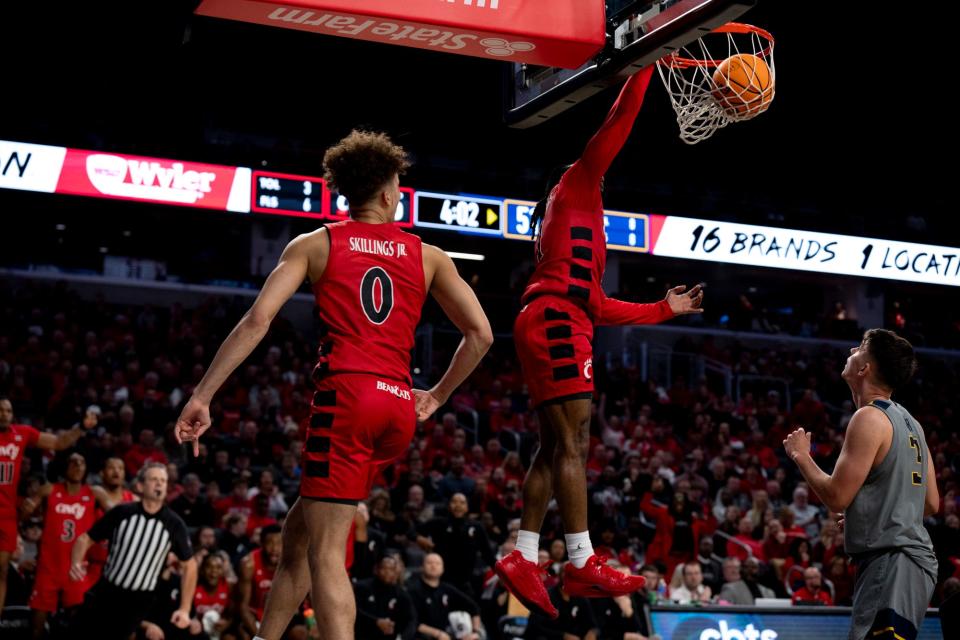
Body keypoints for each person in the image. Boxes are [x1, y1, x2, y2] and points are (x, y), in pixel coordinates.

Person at [175, 129, 493, 640]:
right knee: (300, 533)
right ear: (389, 191)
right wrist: (436, 395)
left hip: (346, 402)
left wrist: (202, 395)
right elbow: (481, 335)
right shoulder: (428, 254)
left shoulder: (316, 243)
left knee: (326, 552)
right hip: (396, 407)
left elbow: (257, 321)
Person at [494, 65, 705, 617]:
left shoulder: (573, 226)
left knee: (555, 443)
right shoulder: (578, 183)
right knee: (575, 440)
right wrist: (644, 65)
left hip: (560, 318)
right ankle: (582, 561)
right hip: (557, 323)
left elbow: (601, 305)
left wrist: (664, 308)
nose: (605, 174)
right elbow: (617, 123)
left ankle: (525, 552)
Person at [784, 329, 938, 640]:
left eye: (861, 347)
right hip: (910, 563)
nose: (853, 348)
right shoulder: (911, 422)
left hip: (893, 560)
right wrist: (871, 509)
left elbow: (837, 497)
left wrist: (801, 456)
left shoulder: (868, 417)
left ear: (865, 368)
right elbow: (931, 502)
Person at [70, 461, 197, 638]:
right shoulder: (122, 512)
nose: (159, 483)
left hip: (139, 599)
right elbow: (86, 538)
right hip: (107, 591)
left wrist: (184, 608)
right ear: (140, 486)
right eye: (154, 479)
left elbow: (190, 566)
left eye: (163, 480)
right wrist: (76, 561)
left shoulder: (174, 524)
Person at [0, 398, 99, 616]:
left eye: (8, 410)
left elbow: (57, 443)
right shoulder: (51, 490)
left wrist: (81, 428)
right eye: (1, 410)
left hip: (5, 511)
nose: (5, 414)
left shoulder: (21, 433)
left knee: (2, 571)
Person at [23, 453, 114, 639]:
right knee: (36, 629)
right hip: (48, 567)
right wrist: (28, 509)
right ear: (64, 467)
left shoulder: (95, 493)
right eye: (73, 462)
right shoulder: (49, 490)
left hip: (77, 568)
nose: (78, 466)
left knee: (78, 626)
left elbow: (117, 517)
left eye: (82, 463)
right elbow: (24, 515)